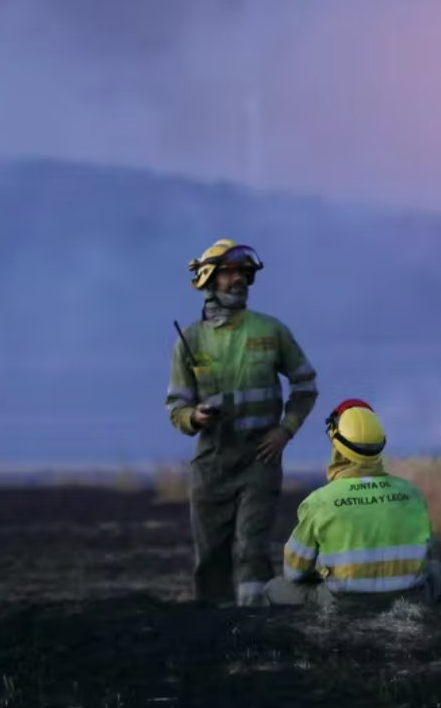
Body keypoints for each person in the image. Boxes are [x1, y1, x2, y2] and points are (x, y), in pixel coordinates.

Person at [165, 238, 319, 607]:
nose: (238, 281)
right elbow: (176, 407)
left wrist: (285, 430)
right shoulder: (190, 339)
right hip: (211, 461)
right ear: (209, 279)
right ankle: (212, 634)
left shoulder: (271, 331)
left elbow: (306, 384)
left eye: (243, 274)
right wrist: (195, 417)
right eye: (229, 273)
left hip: (259, 459)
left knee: (253, 549)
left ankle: (255, 633)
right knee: (211, 555)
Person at [264, 399, 441, 607]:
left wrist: (327, 569)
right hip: (410, 599)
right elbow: (428, 554)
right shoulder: (412, 494)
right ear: (381, 443)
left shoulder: (319, 501)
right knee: (438, 573)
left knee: (275, 588)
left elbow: (294, 572)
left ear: (337, 447)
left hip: (344, 603)